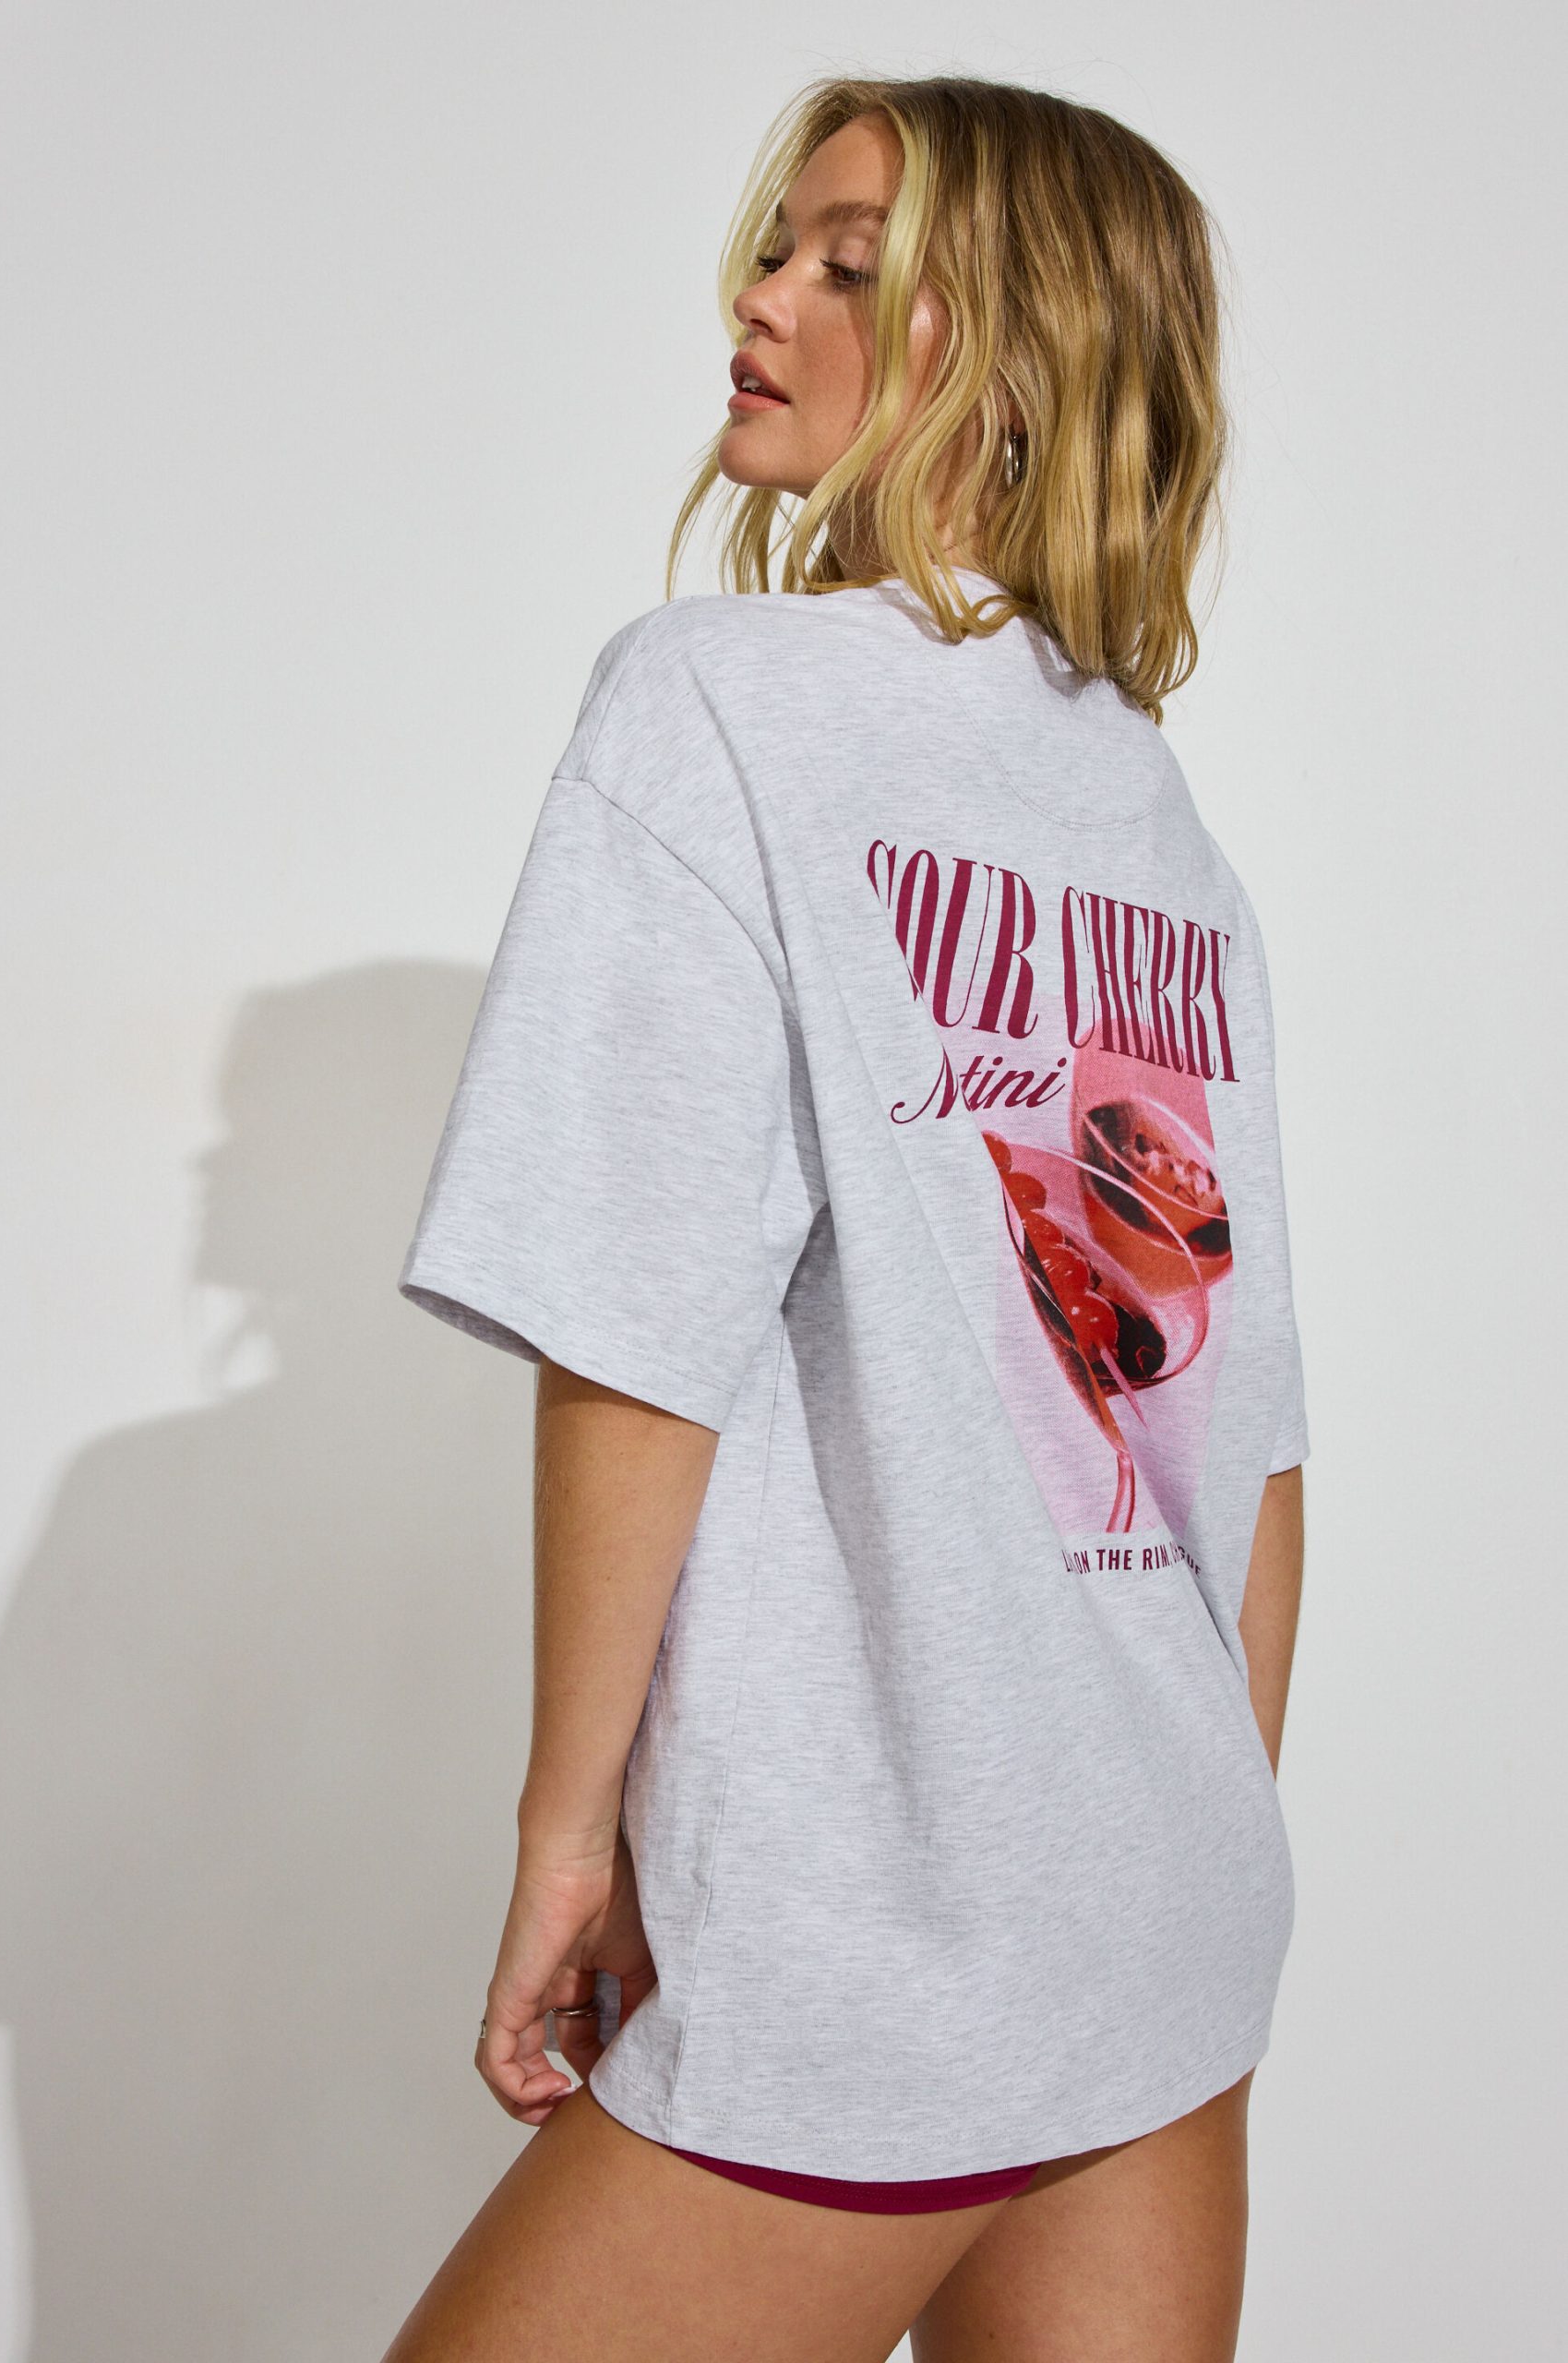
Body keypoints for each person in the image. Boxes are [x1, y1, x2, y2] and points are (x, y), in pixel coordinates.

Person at [381, 72, 1308, 2363]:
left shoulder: (716, 700)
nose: (762, 296)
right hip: (1158, 1898)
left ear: (1011, 351)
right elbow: (1246, 1440)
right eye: (774, 246)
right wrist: (1173, 1836)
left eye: (850, 264)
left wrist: (568, 1839)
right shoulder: (1150, 814)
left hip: (874, 1924)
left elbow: (637, 1330)